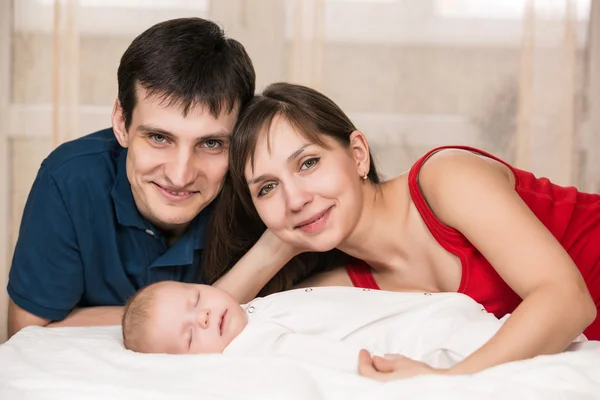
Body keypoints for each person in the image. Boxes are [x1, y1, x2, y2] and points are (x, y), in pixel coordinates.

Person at [203, 82, 600, 380]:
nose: (294, 198)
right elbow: (199, 325)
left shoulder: (444, 178)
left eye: (308, 163)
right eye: (267, 188)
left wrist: (448, 381)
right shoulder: (339, 289)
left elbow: (568, 301)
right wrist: (277, 243)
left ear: (358, 153)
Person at [6, 17, 266, 338]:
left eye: (211, 143)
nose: (180, 174)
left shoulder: (261, 186)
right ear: (121, 122)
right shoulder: (69, 179)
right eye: (159, 138)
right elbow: (28, 332)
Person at [121, 280, 517, 376]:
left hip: (433, 314)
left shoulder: (249, 310)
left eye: (195, 299)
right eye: (190, 335)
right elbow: (320, 359)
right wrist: (370, 368)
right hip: (425, 343)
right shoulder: (252, 348)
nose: (204, 316)